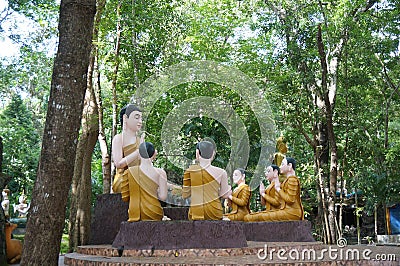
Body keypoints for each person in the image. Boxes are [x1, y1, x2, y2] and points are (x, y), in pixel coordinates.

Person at [182, 140, 232, 220]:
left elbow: (185, 195)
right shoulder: (222, 172)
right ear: (213, 154)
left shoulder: (190, 171)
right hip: (215, 212)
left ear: (197, 153)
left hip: (196, 212)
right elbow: (224, 195)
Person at [120, 142, 168, 221]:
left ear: (139, 154)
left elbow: (125, 197)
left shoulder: (129, 172)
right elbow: (163, 197)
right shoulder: (161, 173)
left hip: (135, 212)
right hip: (154, 212)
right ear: (153, 154)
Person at [112, 104, 145, 193]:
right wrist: (138, 152)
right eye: (137, 118)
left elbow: (143, 164)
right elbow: (119, 164)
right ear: (125, 118)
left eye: (141, 118)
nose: (140, 121)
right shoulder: (118, 138)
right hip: (124, 179)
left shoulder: (139, 140)